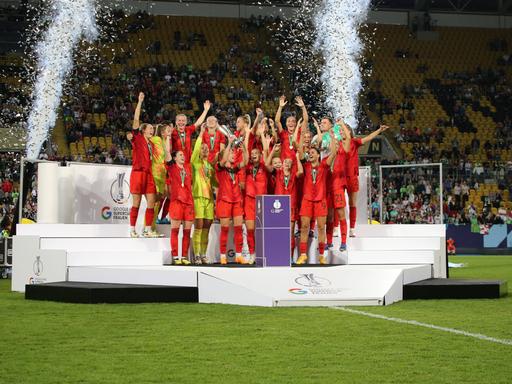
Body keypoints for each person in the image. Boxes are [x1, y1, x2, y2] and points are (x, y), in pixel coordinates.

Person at [297, 136, 337, 265]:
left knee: (321, 227)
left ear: (319, 155)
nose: (310, 154)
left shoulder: (324, 165)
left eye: (313, 153)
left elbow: (334, 152)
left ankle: (321, 255)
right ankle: (303, 255)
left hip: (321, 200)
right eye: (309, 153)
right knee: (304, 227)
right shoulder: (306, 165)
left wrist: (331, 136)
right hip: (307, 200)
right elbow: (300, 151)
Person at [344, 124, 389, 237]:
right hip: (339, 177)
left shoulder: (354, 142)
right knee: (337, 205)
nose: (342, 131)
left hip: (352, 177)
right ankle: (336, 228)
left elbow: (368, 138)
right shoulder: (336, 143)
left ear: (349, 132)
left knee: (352, 203)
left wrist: (379, 130)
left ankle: (352, 228)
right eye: (340, 130)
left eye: (344, 129)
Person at [126, 92, 159, 238]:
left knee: (151, 202)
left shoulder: (152, 144)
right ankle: (132, 230)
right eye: (150, 128)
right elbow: (136, 120)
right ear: (143, 130)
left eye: (153, 128)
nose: (152, 130)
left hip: (149, 174)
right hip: (138, 173)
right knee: (137, 203)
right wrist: (139, 102)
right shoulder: (138, 139)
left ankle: (147, 230)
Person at [265, 136, 303, 259]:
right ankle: (278, 255)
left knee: (290, 232)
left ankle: (290, 257)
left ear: (291, 165)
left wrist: (297, 158)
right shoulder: (278, 172)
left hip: (291, 206)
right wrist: (272, 151)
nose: (286, 163)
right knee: (279, 231)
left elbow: (301, 172)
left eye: (288, 162)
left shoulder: (294, 175)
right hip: (279, 206)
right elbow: (267, 164)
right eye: (284, 161)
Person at [215, 134, 249, 265]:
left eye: (234, 153)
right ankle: (223, 255)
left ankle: (239, 255)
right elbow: (223, 161)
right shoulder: (220, 168)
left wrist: (244, 148)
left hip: (236, 200)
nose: (234, 155)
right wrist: (229, 144)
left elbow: (245, 162)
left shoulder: (235, 168)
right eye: (231, 153)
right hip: (224, 200)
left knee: (239, 228)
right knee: (224, 229)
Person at [244, 118, 270, 264]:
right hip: (249, 200)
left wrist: (261, 134)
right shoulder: (247, 167)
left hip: (262, 201)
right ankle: (252, 253)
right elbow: (246, 152)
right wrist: (248, 134)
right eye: (252, 153)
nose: (253, 154)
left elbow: (266, 150)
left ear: (260, 156)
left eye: (256, 153)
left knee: (262, 230)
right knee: (250, 229)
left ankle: (263, 252)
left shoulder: (263, 166)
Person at [191, 123, 217, 265]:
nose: (205, 149)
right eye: (202, 148)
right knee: (199, 227)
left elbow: (215, 182)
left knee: (207, 227)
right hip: (198, 198)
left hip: (209, 200)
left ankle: (203, 254)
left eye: (206, 148)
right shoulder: (195, 163)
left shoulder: (209, 166)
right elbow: (195, 150)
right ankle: (196, 255)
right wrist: (201, 134)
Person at [165, 146, 194, 265]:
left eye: (183, 155)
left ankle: (185, 256)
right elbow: (167, 152)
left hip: (188, 203)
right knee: (175, 231)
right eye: (180, 155)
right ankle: (176, 256)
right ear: (174, 158)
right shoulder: (171, 168)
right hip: (176, 202)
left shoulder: (188, 168)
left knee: (187, 232)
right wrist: (167, 136)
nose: (183, 156)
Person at [275, 95, 309, 160]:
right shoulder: (283, 133)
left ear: (296, 124)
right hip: (285, 163)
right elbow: (277, 121)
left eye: (293, 121)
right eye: (289, 121)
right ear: (286, 124)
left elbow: (306, 120)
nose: (291, 123)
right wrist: (280, 107)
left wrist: (303, 107)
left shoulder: (299, 131)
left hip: (297, 163)